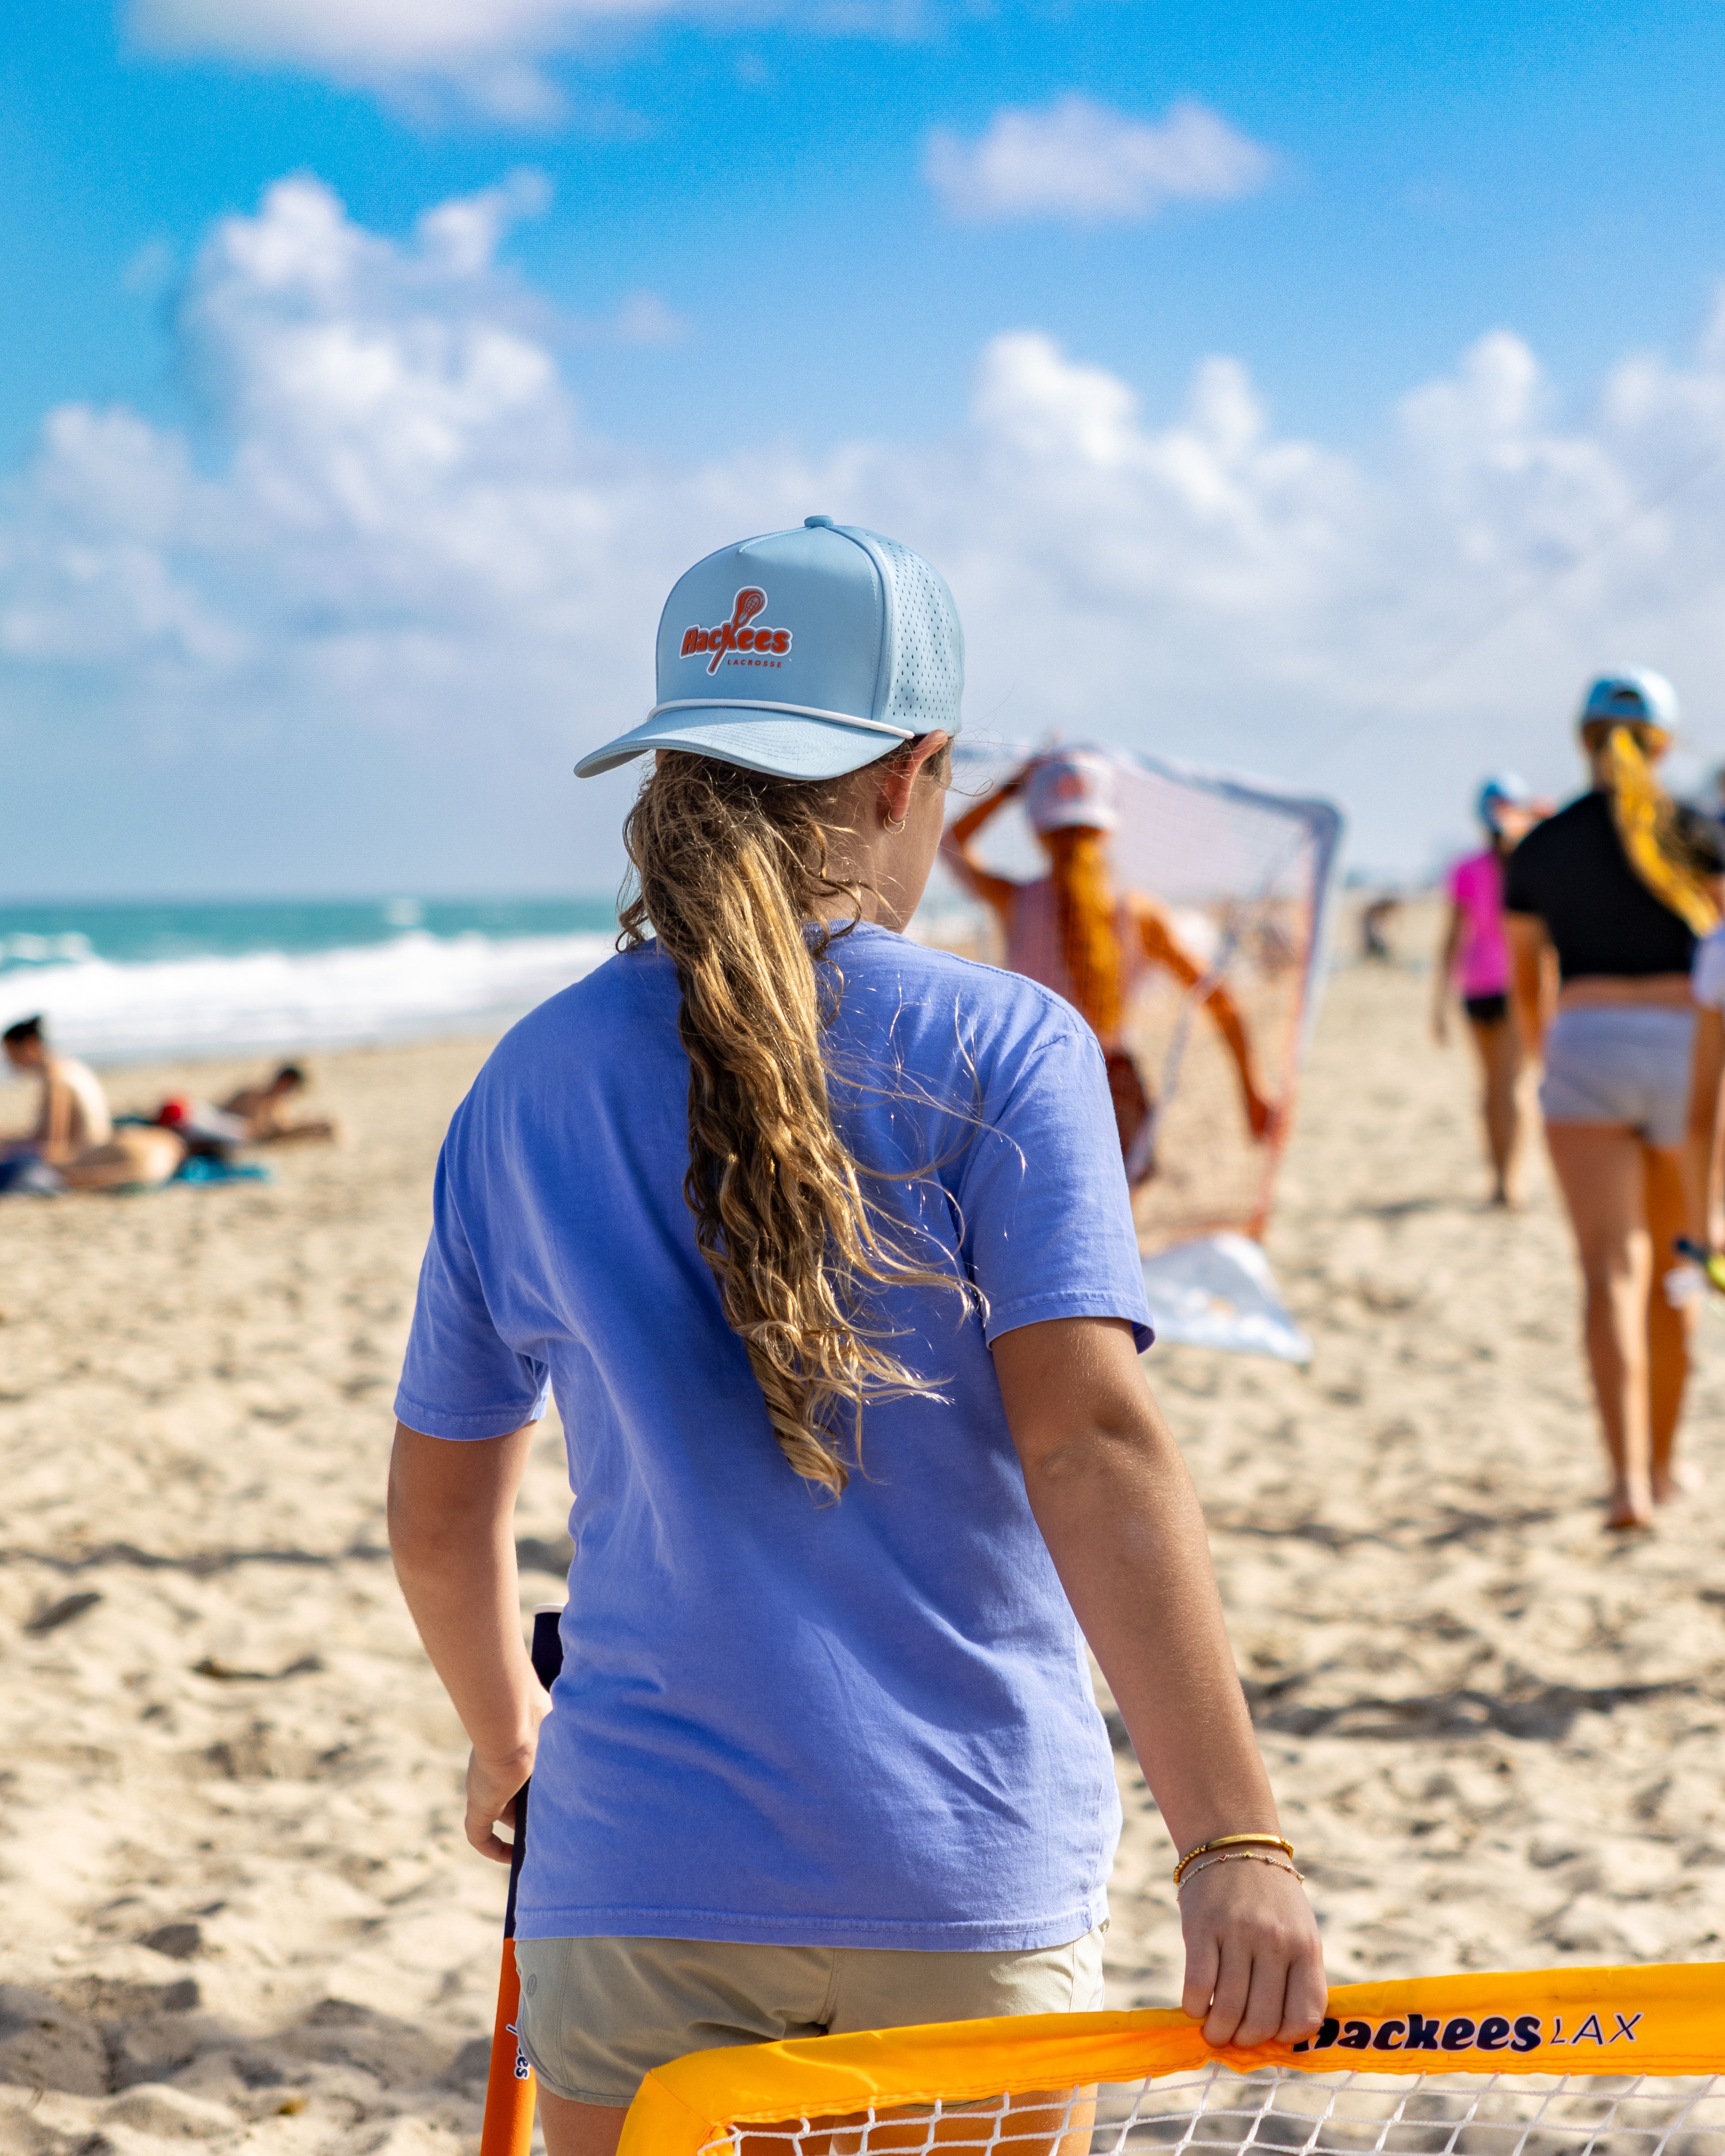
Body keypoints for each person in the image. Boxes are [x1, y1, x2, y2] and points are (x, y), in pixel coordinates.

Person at [387, 518, 1324, 2156]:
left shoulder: (528, 1079)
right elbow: (1088, 1444)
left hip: (632, 1872)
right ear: (915, 774)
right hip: (953, 1867)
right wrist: (1233, 1841)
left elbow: (442, 1514)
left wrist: (503, 1739)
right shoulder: (1007, 1046)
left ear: (672, 764)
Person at [1504, 670, 1725, 1530]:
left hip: (1585, 1045)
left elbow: (1530, 979)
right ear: (1662, 743)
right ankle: (1667, 1470)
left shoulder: (1543, 845)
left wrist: (1539, 1057)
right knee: (1677, 1266)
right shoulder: (1697, 833)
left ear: (1582, 738)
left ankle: (1624, 1481)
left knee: (1606, 1275)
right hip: (1683, 1047)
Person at [940, 749, 1276, 1182]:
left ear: (1037, 830)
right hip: (1113, 1084)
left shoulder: (1014, 901)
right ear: (1106, 830)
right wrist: (1252, 1090)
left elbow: (950, 843)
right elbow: (1221, 1000)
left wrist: (1013, 786)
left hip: (1028, 1081)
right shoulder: (1139, 913)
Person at [1431, 774, 1549, 1207]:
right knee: (1507, 1087)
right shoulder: (1528, 866)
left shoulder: (1474, 868)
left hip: (1481, 986)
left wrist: (1439, 1003)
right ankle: (1506, 1180)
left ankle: (1503, 1178)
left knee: (1495, 1088)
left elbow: (1451, 940)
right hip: (1505, 986)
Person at [0, 1015, 183, 1193]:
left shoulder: (55, 1077)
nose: (9, 1060)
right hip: (94, 1146)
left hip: (85, 1153)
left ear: (30, 1045)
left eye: (11, 1052)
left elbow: (54, 1142)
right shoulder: (65, 1066)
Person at [218, 1064, 343, 1144]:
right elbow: (257, 1130)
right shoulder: (252, 1096)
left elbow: (280, 1126)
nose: (291, 1094)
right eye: (292, 1088)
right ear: (284, 1082)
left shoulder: (276, 1104)